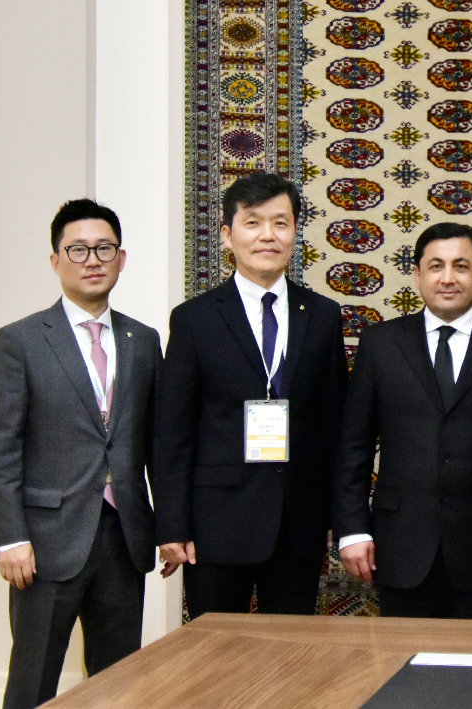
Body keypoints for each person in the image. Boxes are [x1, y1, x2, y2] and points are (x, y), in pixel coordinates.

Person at [0, 199, 161, 708]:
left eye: (104, 248)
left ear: (121, 259)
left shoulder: (143, 340)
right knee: (32, 682)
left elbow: (156, 444)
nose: (92, 259)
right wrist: (8, 536)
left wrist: (168, 527)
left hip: (123, 538)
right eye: (77, 249)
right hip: (44, 543)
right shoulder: (20, 341)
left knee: (120, 682)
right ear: (56, 260)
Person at [154, 173, 347, 618]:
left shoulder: (321, 315)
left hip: (297, 521)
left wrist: (341, 517)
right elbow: (172, 433)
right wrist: (172, 525)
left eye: (280, 223)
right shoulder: (194, 320)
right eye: (253, 222)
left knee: (292, 655)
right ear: (227, 234)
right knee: (215, 657)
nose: (267, 235)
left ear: (295, 233)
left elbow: (335, 423)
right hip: (215, 522)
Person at [333, 223, 472, 619]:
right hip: (400, 547)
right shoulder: (381, 345)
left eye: (461, 266)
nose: (448, 278)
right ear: (418, 275)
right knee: (402, 675)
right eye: (436, 266)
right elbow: (353, 447)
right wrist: (353, 529)